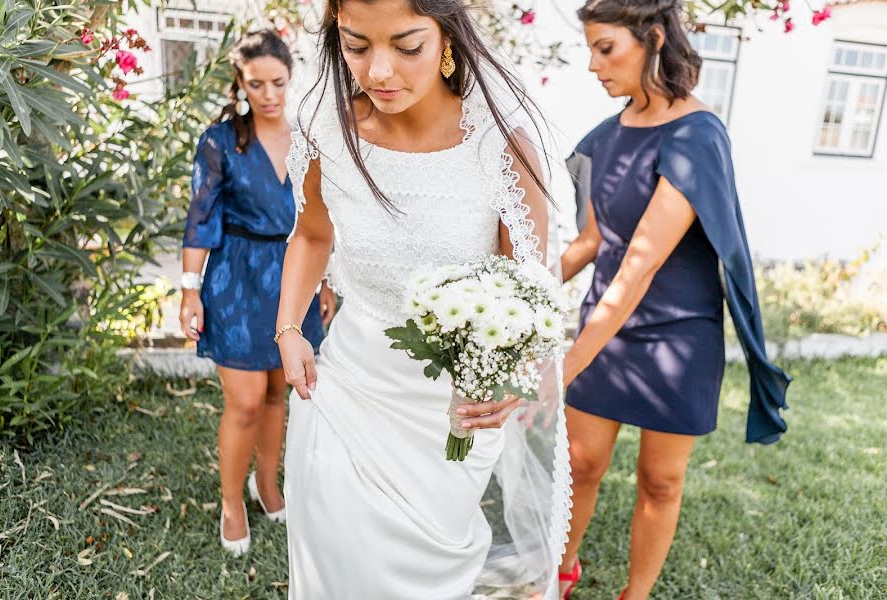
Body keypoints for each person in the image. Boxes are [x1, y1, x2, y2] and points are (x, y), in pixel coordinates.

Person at [274, 0, 573, 597]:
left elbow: (528, 289)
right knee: (338, 562)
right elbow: (311, 234)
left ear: (447, 39)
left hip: (450, 416)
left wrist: (501, 382)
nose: (379, 71)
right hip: (347, 390)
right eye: (357, 46)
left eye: (406, 47)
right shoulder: (328, 130)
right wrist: (288, 329)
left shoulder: (499, 145)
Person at [558, 1, 790, 598]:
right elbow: (591, 241)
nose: (592, 66)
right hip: (604, 323)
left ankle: (635, 594)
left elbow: (640, 264)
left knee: (659, 480)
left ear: (653, 38)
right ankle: (557, 573)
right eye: (589, 50)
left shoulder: (697, 135)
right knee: (579, 464)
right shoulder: (603, 139)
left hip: (676, 335)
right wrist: (511, 292)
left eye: (605, 48)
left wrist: (567, 363)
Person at [179, 29, 332, 557]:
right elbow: (201, 218)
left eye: (278, 83)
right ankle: (231, 503)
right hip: (237, 278)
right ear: (241, 83)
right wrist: (189, 290)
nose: (268, 95)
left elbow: (323, 221)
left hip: (294, 276)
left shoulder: (310, 138)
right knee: (244, 402)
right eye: (257, 84)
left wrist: (326, 279)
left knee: (277, 394)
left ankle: (267, 485)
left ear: (291, 79)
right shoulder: (220, 140)